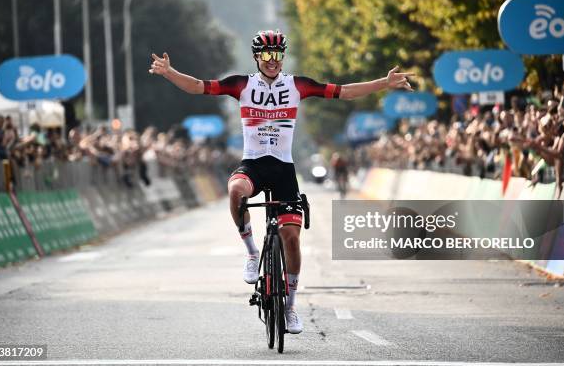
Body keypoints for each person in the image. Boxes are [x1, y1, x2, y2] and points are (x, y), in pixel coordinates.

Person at [149, 29, 414, 334]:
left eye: (277, 55)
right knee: (236, 190)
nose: (273, 61)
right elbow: (198, 87)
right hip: (253, 165)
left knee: (291, 237)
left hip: (284, 169)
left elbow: (344, 91)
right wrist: (169, 73)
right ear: (256, 57)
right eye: (267, 55)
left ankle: (289, 308)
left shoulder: (297, 85)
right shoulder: (241, 84)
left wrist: (384, 82)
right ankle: (251, 252)